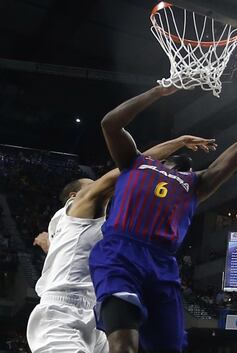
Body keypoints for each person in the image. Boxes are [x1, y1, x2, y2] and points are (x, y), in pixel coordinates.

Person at [89, 69, 237, 353]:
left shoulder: (197, 183)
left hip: (162, 265)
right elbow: (110, 124)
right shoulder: (135, 162)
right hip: (121, 254)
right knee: (123, 346)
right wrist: (157, 92)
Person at [26, 135, 215, 353]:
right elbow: (137, 164)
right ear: (74, 195)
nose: (102, 184)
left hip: (95, 315)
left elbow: (67, 254)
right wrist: (179, 142)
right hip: (62, 311)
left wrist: (46, 242)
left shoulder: (73, 225)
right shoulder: (83, 205)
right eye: (93, 183)